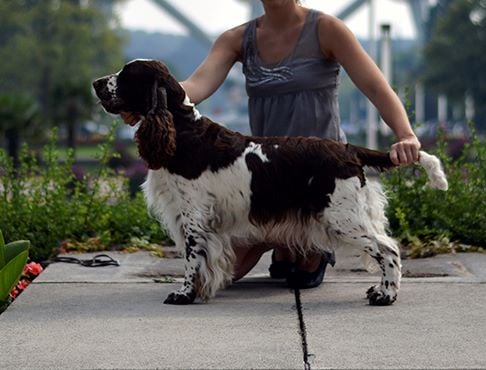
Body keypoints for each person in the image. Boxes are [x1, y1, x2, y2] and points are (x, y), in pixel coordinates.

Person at [121, 0, 421, 288]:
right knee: (225, 271)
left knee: (303, 262)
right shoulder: (237, 39)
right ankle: (281, 242)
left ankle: (302, 245)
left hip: (316, 172)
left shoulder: (327, 29)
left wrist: (405, 134)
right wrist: (147, 99)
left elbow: (376, 87)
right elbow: (195, 86)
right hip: (262, 176)